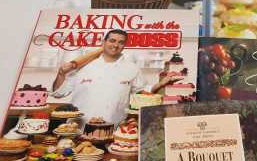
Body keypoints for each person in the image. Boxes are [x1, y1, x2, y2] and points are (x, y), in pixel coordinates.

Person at [52, 29, 180, 124]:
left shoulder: (132, 68)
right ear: (104, 42)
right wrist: (61, 74)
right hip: (77, 128)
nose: (115, 45)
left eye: (121, 42)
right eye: (112, 40)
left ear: (124, 46)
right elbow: (59, 93)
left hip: (114, 130)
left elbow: (142, 92)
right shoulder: (83, 65)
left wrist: (160, 84)